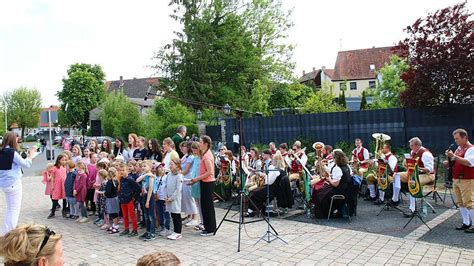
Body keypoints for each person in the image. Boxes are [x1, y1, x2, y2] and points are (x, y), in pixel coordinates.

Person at [0, 132, 35, 234]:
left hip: (4, 184)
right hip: (14, 183)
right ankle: (8, 233)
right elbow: (26, 164)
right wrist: (30, 156)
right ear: (12, 140)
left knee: (10, 209)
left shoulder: (1, 151)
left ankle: (6, 231)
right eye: (16, 139)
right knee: (14, 210)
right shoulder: (12, 153)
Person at [445, 129, 474, 233]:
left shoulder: (471, 149)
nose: (456, 141)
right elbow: (455, 161)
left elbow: (468, 162)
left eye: (457, 138)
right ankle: (466, 222)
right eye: (455, 139)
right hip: (457, 178)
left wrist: (453, 156)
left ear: (465, 137)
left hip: (467, 179)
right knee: (460, 202)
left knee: (469, 202)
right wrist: (448, 161)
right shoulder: (458, 149)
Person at [397, 137, 435, 213]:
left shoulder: (426, 154)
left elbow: (430, 169)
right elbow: (411, 165)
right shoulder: (413, 152)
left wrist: (417, 168)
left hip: (428, 175)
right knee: (397, 176)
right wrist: (406, 163)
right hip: (415, 173)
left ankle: (412, 208)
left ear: (417, 145)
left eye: (411, 146)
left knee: (413, 181)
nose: (410, 147)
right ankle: (394, 200)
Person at [189, 135, 216, 236]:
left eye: (200, 142)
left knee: (208, 206)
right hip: (204, 182)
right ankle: (207, 227)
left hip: (208, 182)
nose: (199, 144)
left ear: (205, 144)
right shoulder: (204, 154)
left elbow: (210, 172)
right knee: (205, 206)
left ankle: (211, 229)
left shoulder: (207, 156)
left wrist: (196, 179)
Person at [312, 150, 352, 219]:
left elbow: (335, 184)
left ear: (336, 158)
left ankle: (323, 213)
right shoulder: (347, 166)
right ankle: (328, 211)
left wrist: (329, 178)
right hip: (346, 189)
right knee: (322, 189)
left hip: (340, 190)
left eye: (333, 158)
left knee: (320, 192)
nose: (332, 159)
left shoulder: (338, 168)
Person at [247, 151, 287, 216]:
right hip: (273, 189)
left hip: (271, 190)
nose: (271, 161)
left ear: (276, 161)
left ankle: (251, 211)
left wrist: (262, 175)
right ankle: (258, 209)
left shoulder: (275, 171)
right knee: (257, 192)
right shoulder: (279, 169)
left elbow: (268, 182)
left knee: (255, 195)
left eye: (273, 160)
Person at [118, 161, 141, 237]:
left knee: (132, 215)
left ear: (127, 170)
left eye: (123, 170)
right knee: (125, 215)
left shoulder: (130, 179)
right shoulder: (121, 179)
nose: (121, 172)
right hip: (122, 200)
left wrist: (133, 197)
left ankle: (135, 230)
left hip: (129, 200)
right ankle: (126, 229)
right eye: (120, 170)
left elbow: (138, 188)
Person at [136, 160, 157, 241]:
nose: (143, 168)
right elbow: (137, 180)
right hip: (144, 196)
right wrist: (145, 175)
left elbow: (150, 189)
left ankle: (152, 233)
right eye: (142, 166)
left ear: (150, 167)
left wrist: (148, 201)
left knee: (150, 216)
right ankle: (148, 231)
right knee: (146, 215)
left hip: (150, 197)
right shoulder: (144, 175)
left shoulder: (151, 176)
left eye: (145, 166)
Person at [179, 141, 199, 227]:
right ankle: (189, 215)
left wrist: (177, 173)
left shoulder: (190, 157)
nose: (182, 148)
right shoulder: (185, 156)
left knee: (190, 198)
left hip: (188, 178)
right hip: (183, 178)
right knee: (185, 198)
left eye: (184, 146)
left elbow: (186, 170)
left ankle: (195, 218)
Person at [165, 157, 184, 240]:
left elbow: (178, 189)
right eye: (170, 164)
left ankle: (178, 232)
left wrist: (172, 198)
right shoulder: (169, 174)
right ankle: (174, 231)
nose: (170, 166)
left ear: (177, 165)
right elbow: (166, 185)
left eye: (172, 164)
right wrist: (166, 196)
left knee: (176, 215)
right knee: (172, 214)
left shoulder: (179, 176)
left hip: (175, 199)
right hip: (168, 198)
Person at [48, 154, 67, 219]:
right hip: (57, 185)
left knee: (64, 198)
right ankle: (53, 212)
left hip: (64, 184)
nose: (64, 161)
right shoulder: (54, 168)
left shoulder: (65, 167)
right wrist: (52, 186)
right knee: (55, 198)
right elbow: (52, 178)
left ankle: (64, 210)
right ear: (59, 160)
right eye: (63, 160)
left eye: (65, 160)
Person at [155, 163, 172, 237]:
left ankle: (167, 228)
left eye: (163, 167)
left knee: (166, 213)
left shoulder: (166, 177)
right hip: (158, 198)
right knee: (160, 213)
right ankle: (162, 227)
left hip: (164, 198)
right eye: (159, 167)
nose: (162, 168)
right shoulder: (155, 177)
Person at [105, 167, 120, 234]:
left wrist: (104, 194)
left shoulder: (109, 182)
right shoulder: (116, 181)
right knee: (114, 213)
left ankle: (116, 226)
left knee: (113, 213)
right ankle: (114, 225)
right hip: (115, 198)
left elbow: (107, 192)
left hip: (111, 199)